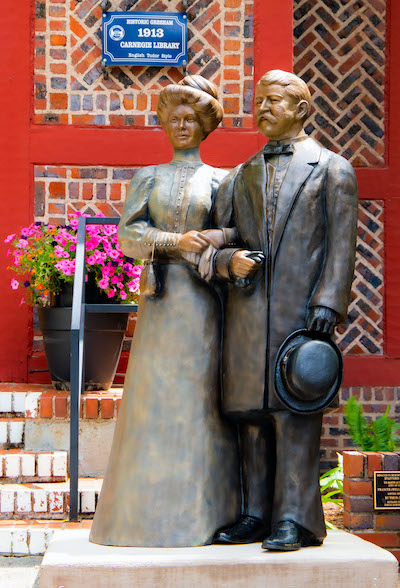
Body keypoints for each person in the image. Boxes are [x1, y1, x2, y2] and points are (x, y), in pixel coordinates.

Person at [209, 70, 358, 551]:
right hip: (248, 314)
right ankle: (255, 512)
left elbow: (342, 245)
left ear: (301, 109)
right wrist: (225, 262)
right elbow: (223, 238)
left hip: (301, 314)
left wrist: (329, 302)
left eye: (275, 100)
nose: (264, 108)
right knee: (251, 415)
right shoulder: (239, 176)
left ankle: (295, 518)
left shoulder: (332, 169)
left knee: (294, 414)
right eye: (260, 101)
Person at [89, 75, 240, 548]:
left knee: (199, 403)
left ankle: (205, 517)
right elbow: (127, 236)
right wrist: (174, 241)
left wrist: (212, 240)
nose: (180, 126)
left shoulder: (222, 181)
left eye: (189, 119)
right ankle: (136, 517)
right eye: (173, 118)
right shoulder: (147, 177)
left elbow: (238, 234)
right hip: (159, 301)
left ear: (203, 127)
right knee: (153, 404)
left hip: (203, 304)